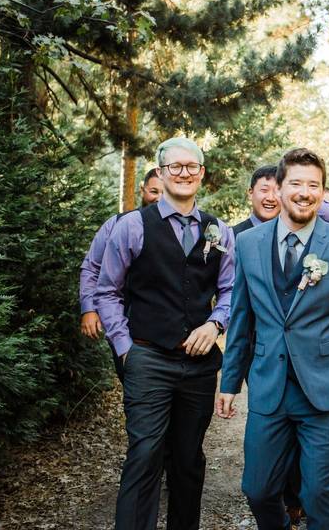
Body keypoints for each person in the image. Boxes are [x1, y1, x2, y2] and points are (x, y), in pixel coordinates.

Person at [216, 148, 329, 530]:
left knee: (320, 493)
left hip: (325, 391)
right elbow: (241, 316)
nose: (305, 192)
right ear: (280, 187)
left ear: (322, 192)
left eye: (314, 185)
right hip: (269, 387)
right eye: (297, 184)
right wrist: (229, 382)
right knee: (257, 490)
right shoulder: (250, 243)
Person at [95, 138, 235, 530]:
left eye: (192, 167)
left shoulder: (219, 230)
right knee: (145, 454)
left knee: (189, 459)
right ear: (161, 173)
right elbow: (107, 290)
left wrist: (215, 323)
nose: (184, 173)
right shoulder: (132, 227)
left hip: (199, 366)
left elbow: (230, 290)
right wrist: (125, 349)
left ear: (201, 174)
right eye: (175, 167)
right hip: (148, 357)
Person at [79, 168, 162, 342]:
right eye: (154, 191)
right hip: (121, 319)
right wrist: (89, 309)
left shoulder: (183, 229)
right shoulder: (116, 223)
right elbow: (92, 267)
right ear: (143, 189)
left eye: (164, 192)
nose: (159, 198)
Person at [233, 164, 329, 236]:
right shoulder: (234, 235)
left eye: (277, 191)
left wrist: (301, 198)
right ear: (250, 193)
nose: (270, 198)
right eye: (264, 190)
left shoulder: (295, 230)